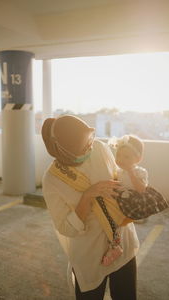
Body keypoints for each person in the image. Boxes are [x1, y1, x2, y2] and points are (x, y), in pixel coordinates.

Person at [42, 114, 139, 300]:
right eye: (85, 145)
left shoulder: (99, 149)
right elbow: (64, 227)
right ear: (65, 151)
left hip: (122, 242)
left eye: (91, 138)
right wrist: (87, 197)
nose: (91, 146)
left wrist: (134, 188)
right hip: (90, 254)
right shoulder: (52, 180)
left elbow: (118, 179)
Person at [109, 134, 168, 221]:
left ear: (138, 159)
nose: (121, 159)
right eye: (118, 155)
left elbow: (141, 189)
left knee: (133, 209)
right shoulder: (117, 171)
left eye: (126, 157)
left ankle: (134, 217)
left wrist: (131, 173)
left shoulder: (140, 172)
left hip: (134, 198)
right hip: (121, 197)